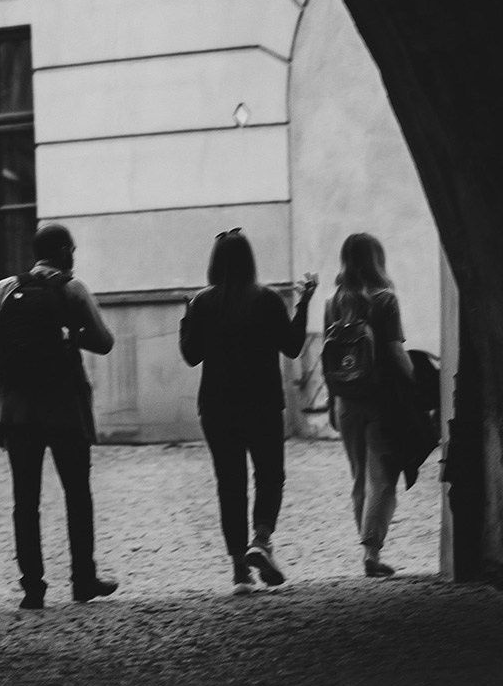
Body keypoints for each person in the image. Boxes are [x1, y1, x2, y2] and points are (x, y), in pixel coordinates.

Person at [0, 223, 119, 610]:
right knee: (77, 493)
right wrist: (68, 333)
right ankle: (83, 579)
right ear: (65, 251)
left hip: (17, 407)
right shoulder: (73, 288)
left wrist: (17, 336)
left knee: (25, 498)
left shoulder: (6, 288)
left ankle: (33, 587)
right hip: (65, 404)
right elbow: (104, 341)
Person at [178, 229, 315, 590]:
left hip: (217, 407)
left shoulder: (203, 303)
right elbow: (293, 347)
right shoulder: (266, 299)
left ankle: (240, 570)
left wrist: (186, 316)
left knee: (231, 483)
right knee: (270, 475)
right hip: (263, 403)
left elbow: (191, 356)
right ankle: (262, 538)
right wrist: (304, 303)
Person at [323, 232, 416, 577]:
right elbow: (395, 350)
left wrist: (333, 402)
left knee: (359, 476)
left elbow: (328, 358)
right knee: (383, 478)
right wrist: (418, 388)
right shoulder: (385, 300)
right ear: (377, 259)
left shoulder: (332, 301)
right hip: (380, 399)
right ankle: (371, 552)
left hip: (347, 400)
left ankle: (367, 547)